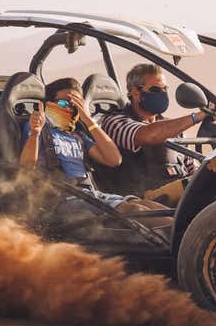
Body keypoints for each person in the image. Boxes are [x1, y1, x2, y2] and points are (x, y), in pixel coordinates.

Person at [20, 77, 169, 221]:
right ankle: (184, 243)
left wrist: (88, 119)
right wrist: (34, 133)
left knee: (148, 205)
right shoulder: (39, 129)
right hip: (61, 198)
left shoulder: (78, 135)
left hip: (90, 194)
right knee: (134, 211)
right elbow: (26, 166)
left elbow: (114, 159)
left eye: (76, 104)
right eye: (64, 103)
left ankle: (186, 236)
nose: (71, 108)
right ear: (48, 104)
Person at [99, 63, 216, 202]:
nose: (162, 93)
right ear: (135, 92)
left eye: (165, 89)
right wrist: (197, 116)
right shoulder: (115, 122)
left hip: (180, 196)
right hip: (144, 202)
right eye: (156, 89)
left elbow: (192, 169)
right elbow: (150, 135)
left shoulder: (173, 128)